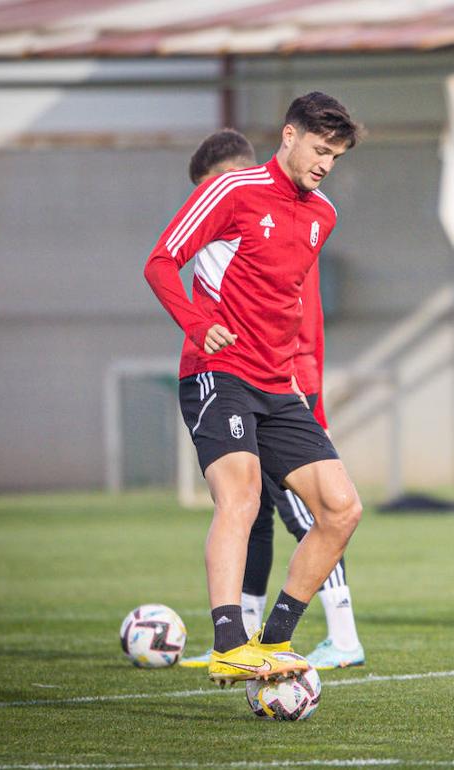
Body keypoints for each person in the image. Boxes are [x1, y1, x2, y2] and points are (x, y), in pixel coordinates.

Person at [144, 92, 365, 685]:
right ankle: (227, 644)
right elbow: (162, 261)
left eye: (336, 157)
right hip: (220, 374)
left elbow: (290, 299)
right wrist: (198, 324)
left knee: (342, 510)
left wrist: (299, 375)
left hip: (278, 384)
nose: (325, 165)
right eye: (320, 150)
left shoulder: (323, 214)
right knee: (241, 499)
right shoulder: (231, 191)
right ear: (288, 136)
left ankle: (274, 639)